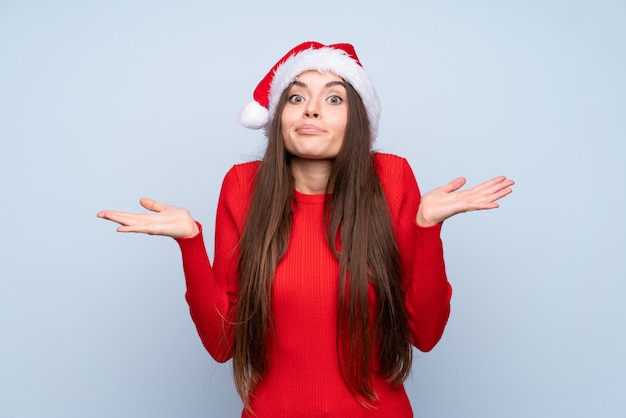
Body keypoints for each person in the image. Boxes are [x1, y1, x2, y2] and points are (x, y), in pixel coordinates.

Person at [97, 41, 514, 417]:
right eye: (296, 97)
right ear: (279, 117)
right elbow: (223, 344)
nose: (311, 109)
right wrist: (190, 242)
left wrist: (427, 228)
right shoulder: (243, 186)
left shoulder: (392, 178)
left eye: (334, 98)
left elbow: (425, 334)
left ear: (359, 121)